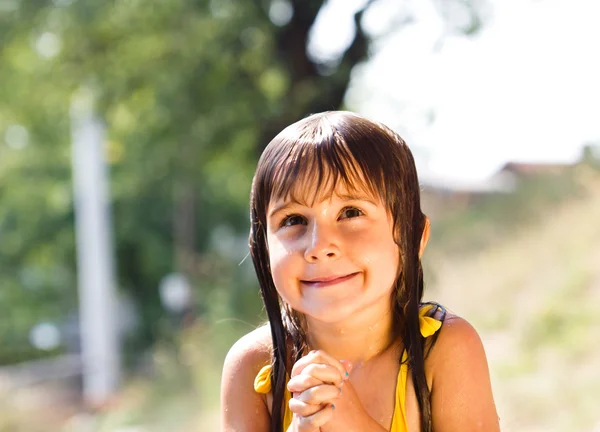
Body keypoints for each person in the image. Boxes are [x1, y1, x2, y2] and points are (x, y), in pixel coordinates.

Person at [221, 111, 499, 432]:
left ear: (413, 237)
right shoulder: (255, 365)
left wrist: (354, 423)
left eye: (351, 212)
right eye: (294, 220)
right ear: (262, 248)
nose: (319, 245)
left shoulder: (443, 350)